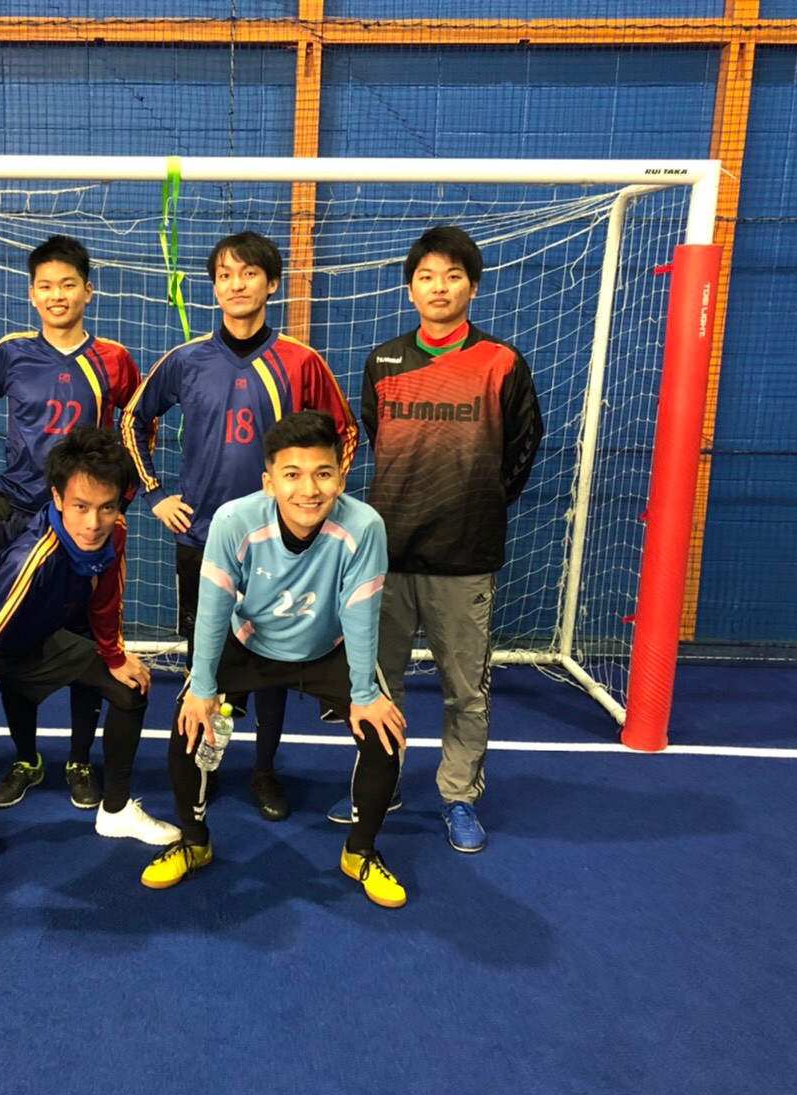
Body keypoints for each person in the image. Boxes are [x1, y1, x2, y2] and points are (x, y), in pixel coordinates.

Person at [120, 231, 358, 822]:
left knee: (271, 664)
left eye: (249, 273)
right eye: (225, 275)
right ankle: (205, 764)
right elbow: (132, 420)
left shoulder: (301, 361)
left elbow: (346, 433)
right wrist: (154, 493)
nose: (236, 284)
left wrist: (315, 502)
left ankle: (264, 770)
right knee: (207, 661)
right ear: (214, 287)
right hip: (202, 540)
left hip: (278, 547)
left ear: (271, 283)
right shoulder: (187, 360)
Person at [328, 225, 543, 854]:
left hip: (465, 557)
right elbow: (378, 439)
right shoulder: (383, 362)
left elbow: (522, 448)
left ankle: (458, 795)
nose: (439, 287)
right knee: (378, 684)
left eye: (452, 276)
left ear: (472, 286)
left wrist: (477, 502)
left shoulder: (502, 362)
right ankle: (381, 783)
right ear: (411, 288)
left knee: (465, 691)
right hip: (387, 555)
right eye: (426, 276)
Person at [139, 411, 408, 907]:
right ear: (269, 482)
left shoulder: (364, 526)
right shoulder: (233, 521)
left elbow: (361, 613)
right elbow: (213, 608)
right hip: (249, 643)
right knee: (188, 730)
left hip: (327, 648)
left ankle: (360, 852)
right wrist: (203, 688)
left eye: (323, 473)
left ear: (340, 478)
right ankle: (195, 843)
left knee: (384, 737)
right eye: (292, 474)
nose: (309, 489)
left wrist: (365, 695)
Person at [0, 425, 178, 849]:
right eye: (81, 506)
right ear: (58, 498)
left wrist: (115, 656)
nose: (93, 523)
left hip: (25, 642)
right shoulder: (34, 556)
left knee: (130, 689)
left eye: (106, 507)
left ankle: (116, 811)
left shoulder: (113, 532)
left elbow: (105, 600)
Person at [0, 235, 144, 812]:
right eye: (46, 285)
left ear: (88, 291)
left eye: (68, 284)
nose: (57, 295)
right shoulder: (10, 353)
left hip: (85, 526)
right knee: (16, 640)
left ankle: (79, 760)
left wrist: (124, 494)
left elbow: (138, 426)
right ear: (32, 293)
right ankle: (26, 757)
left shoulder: (113, 359)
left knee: (86, 641)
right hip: (20, 520)